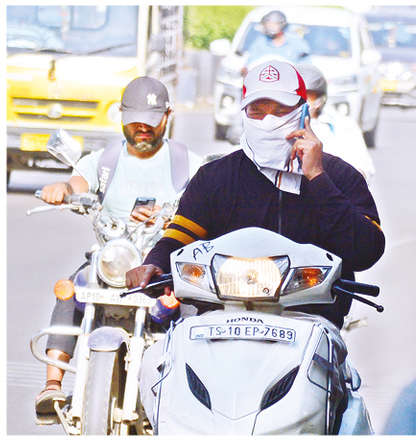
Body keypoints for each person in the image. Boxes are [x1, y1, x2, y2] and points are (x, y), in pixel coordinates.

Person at [127, 60, 385, 424]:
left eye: (279, 110)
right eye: (257, 111)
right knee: (156, 367)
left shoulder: (340, 177)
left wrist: (316, 176)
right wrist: (153, 263)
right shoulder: (216, 177)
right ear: (244, 112)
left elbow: (367, 249)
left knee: (344, 410)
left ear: (303, 113)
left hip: (309, 323)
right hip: (216, 323)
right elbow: (179, 235)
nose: (267, 121)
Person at [35, 76, 202, 420]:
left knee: (194, 307)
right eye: (135, 121)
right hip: (114, 261)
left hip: (165, 265)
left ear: (167, 117)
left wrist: (170, 214)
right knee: (71, 288)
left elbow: (207, 198)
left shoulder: (188, 163)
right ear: (122, 117)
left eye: (151, 122)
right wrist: (64, 189)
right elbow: (79, 181)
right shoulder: (106, 160)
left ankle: (195, 396)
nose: (142, 128)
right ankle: (52, 384)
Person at [296, 63, 375, 185]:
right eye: (297, 96)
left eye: (308, 97)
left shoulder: (343, 126)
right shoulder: (277, 125)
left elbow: (362, 169)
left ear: (320, 99)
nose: (303, 104)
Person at [245, 10, 310, 68]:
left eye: (273, 24)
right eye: (268, 24)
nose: (270, 27)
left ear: (282, 24)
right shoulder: (260, 42)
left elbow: (306, 66)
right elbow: (250, 65)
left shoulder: (296, 42)